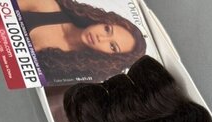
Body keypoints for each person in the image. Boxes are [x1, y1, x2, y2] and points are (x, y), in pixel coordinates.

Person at [17, 0, 147, 83]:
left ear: (111, 58)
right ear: (103, 21)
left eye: (112, 46)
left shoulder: (71, 74)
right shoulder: (47, 6)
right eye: (107, 29)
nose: (101, 38)